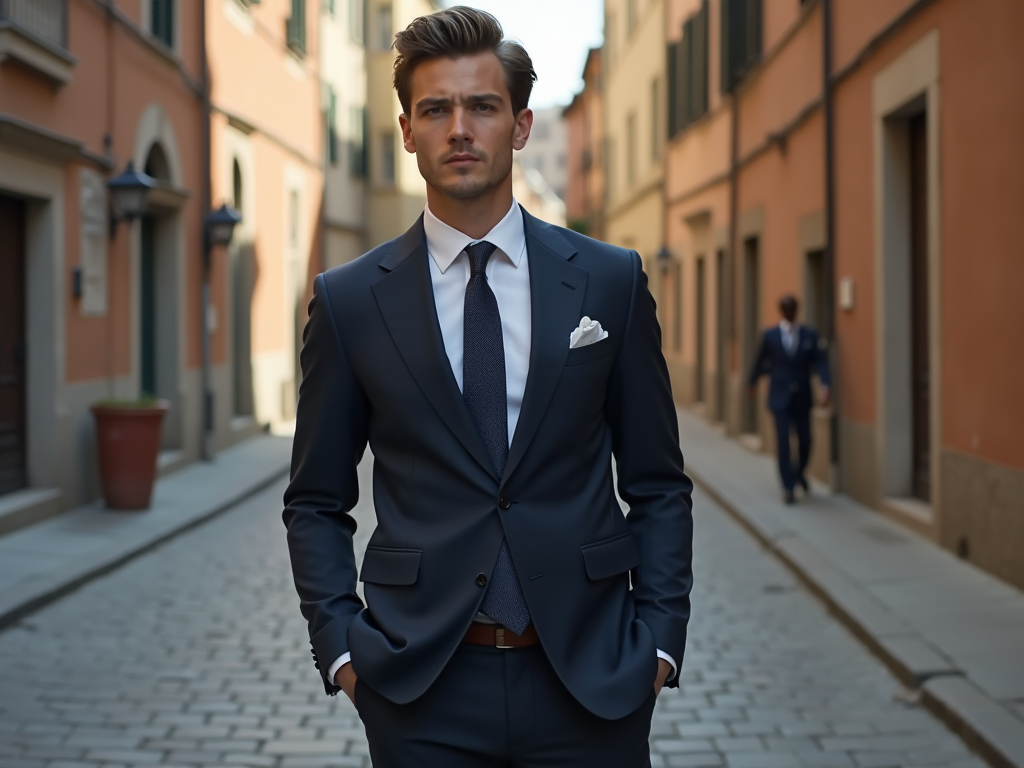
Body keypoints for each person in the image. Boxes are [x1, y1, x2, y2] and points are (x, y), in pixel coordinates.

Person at [283, 7, 693, 767]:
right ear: (408, 130)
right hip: (422, 690)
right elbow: (315, 499)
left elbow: (659, 484)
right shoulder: (347, 302)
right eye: (436, 109)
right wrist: (341, 647)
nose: (459, 129)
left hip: (591, 680)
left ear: (522, 125)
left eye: (482, 106)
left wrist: (661, 639)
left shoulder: (611, 281)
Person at [748, 294, 831, 504]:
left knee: (806, 440)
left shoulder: (809, 335)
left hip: (802, 397)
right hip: (779, 397)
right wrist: (752, 382)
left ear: (797, 310)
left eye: (792, 308)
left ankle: (798, 473)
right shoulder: (770, 335)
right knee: (783, 442)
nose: (789, 312)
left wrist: (825, 385)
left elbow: (820, 362)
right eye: (785, 308)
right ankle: (788, 487)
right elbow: (759, 361)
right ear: (781, 311)